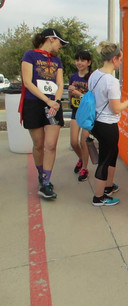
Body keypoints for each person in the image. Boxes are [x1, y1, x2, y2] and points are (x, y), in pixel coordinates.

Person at [89, 42, 128, 206]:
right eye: (120, 60)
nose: (120, 63)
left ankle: (108, 186)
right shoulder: (111, 81)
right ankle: (99, 196)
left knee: (111, 154)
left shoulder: (94, 75)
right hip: (107, 124)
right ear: (114, 59)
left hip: (96, 122)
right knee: (105, 159)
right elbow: (116, 108)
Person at [20, 28, 68, 199]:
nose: (60, 46)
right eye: (59, 42)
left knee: (51, 145)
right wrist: (47, 101)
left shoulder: (57, 60)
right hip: (34, 104)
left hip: (53, 106)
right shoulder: (30, 55)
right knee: (39, 145)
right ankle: (41, 176)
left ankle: (46, 182)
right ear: (50, 39)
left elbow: (60, 83)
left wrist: (55, 102)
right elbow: (27, 82)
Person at [68, 50, 92, 182]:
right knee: (73, 142)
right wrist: (71, 93)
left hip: (87, 112)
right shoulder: (73, 77)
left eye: (82, 60)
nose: (79, 63)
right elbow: (70, 97)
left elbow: (92, 98)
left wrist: (78, 93)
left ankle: (85, 167)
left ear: (89, 62)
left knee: (84, 142)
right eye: (77, 60)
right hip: (75, 111)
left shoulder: (91, 77)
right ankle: (82, 158)